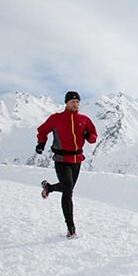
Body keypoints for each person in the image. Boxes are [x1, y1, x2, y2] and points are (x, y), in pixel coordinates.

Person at [36, 91, 98, 238]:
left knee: (67, 187)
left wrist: (89, 136)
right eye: (72, 102)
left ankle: (49, 187)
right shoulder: (56, 118)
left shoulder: (84, 119)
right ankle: (71, 228)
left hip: (77, 160)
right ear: (66, 103)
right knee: (68, 190)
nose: (75, 104)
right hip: (61, 159)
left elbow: (94, 137)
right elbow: (42, 130)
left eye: (77, 102)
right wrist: (41, 143)